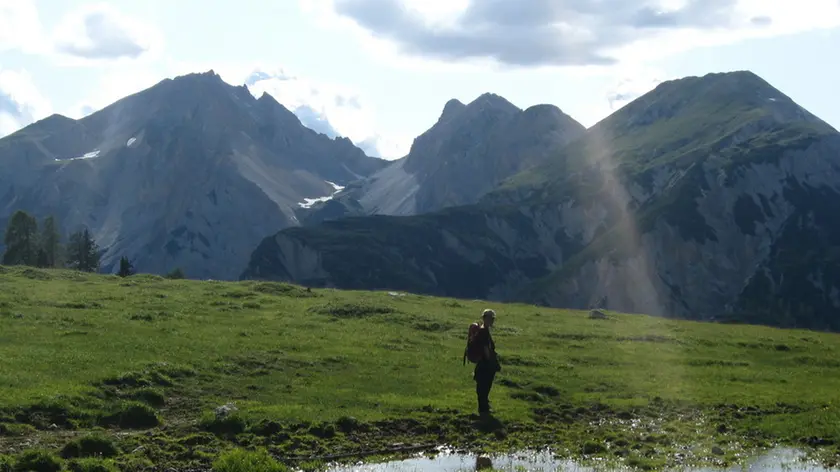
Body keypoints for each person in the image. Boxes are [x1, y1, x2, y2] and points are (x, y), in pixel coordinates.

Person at [473, 309, 501, 415]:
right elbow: (485, 348)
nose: (492, 320)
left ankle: (484, 407)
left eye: (493, 318)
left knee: (483, 386)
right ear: (485, 318)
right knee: (484, 386)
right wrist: (490, 361)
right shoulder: (484, 331)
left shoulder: (483, 329)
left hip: (482, 363)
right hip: (485, 364)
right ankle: (484, 409)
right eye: (490, 318)